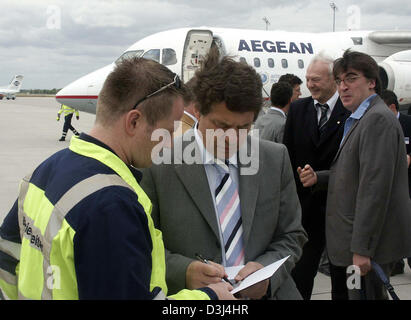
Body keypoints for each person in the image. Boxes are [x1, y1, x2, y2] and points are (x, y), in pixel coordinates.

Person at [0, 57, 234, 300]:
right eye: (170, 128)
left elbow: (7, 259)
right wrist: (209, 298)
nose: (171, 140)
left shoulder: (45, 171)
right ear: (134, 121)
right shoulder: (112, 205)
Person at [140, 52, 307, 300]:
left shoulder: (275, 158)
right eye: (221, 126)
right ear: (197, 110)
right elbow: (141, 245)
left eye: (243, 128)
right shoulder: (157, 163)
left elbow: (292, 235)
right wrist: (183, 271)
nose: (231, 138)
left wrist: (266, 272)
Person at [298, 50, 411, 300]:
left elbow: (374, 190)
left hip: (364, 250)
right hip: (355, 247)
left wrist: (362, 249)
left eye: (351, 78)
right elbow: (354, 174)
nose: (343, 87)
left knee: (362, 297)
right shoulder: (360, 118)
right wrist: (320, 178)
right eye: (339, 81)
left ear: (372, 82)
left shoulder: (376, 120)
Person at [283, 53, 350, 300]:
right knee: (300, 277)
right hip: (305, 213)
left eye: (316, 79)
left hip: (339, 211)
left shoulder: (350, 110)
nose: (310, 84)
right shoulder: (298, 110)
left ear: (333, 80)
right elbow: (288, 157)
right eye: (308, 79)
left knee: (342, 281)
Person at [380, 89, 411, 274]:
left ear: (392, 108)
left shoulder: (407, 123)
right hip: (390, 183)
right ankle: (396, 263)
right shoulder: (381, 125)